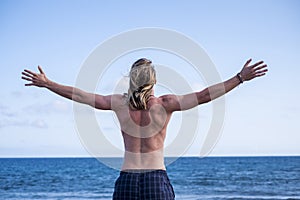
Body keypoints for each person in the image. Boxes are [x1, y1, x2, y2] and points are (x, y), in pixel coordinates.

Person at [21, 58, 267, 200]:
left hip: (127, 180)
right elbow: (204, 96)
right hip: (156, 181)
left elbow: (81, 96)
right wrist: (240, 78)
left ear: (131, 79)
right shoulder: (166, 104)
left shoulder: (118, 103)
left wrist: (48, 84)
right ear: (154, 81)